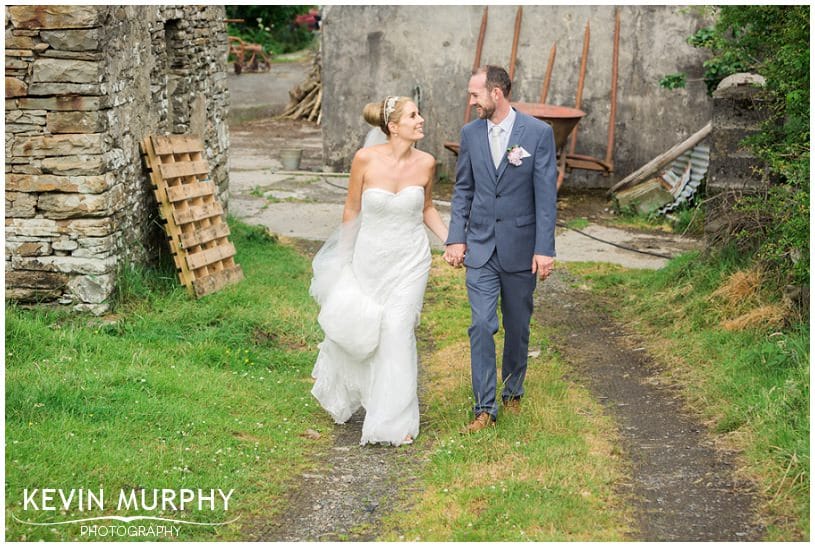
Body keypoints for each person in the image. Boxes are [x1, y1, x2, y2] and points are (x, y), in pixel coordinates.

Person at [310, 96, 449, 446]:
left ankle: (393, 421)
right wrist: (343, 260)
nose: (421, 120)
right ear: (393, 126)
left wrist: (451, 240)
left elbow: (427, 208)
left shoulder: (428, 163)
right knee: (370, 330)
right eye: (414, 115)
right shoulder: (364, 160)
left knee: (398, 329)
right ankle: (368, 396)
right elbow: (351, 210)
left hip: (411, 260)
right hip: (370, 259)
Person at [443, 65, 558, 433]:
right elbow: (464, 189)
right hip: (479, 245)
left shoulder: (538, 134)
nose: (471, 100)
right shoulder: (471, 133)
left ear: (496, 93)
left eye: (475, 94)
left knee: (518, 325)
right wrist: (456, 237)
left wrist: (544, 248)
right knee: (480, 324)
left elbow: (545, 196)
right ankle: (484, 408)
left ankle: (513, 391)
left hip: (521, 246)